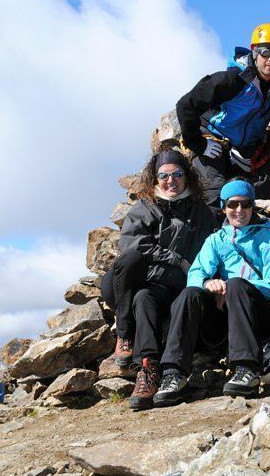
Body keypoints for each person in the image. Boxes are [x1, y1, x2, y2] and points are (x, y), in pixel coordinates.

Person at [99, 149, 217, 410]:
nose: (170, 180)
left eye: (177, 174)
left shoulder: (201, 213)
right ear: (155, 178)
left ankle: (148, 370)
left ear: (187, 176)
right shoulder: (144, 207)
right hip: (141, 280)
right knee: (132, 269)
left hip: (176, 286)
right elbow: (133, 247)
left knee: (144, 298)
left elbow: (207, 252)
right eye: (163, 175)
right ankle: (125, 337)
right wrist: (175, 259)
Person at [152, 179, 270, 405]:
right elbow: (195, 274)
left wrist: (233, 286)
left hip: (259, 318)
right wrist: (208, 284)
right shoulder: (216, 240)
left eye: (246, 204)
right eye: (232, 204)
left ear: (253, 206)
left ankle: (247, 369)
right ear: (223, 207)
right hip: (224, 322)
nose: (239, 210)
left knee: (236, 285)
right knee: (190, 294)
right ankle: (174, 374)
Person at [176, 23, 270, 208]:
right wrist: (198, 144)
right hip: (214, 141)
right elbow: (185, 105)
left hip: (246, 147)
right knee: (214, 193)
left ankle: (245, 203)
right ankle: (220, 216)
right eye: (266, 52)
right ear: (254, 51)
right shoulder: (233, 79)